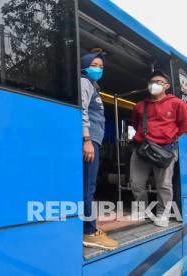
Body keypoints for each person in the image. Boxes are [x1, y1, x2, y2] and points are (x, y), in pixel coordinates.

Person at [129, 70, 187, 227]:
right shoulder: (140, 105)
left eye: (158, 82)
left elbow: (185, 125)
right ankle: (141, 211)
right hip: (142, 148)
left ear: (167, 86)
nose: (154, 84)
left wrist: (170, 137)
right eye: (152, 82)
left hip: (165, 149)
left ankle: (162, 215)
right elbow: (136, 124)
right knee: (136, 182)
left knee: (163, 184)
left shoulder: (177, 103)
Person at [81, 51, 119, 249]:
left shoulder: (93, 85)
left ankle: (88, 227)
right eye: (94, 64)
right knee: (89, 186)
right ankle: (89, 231)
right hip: (89, 140)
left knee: (89, 185)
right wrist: (87, 139)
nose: (99, 68)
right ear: (85, 65)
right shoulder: (85, 82)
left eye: (101, 66)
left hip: (93, 140)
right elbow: (82, 110)